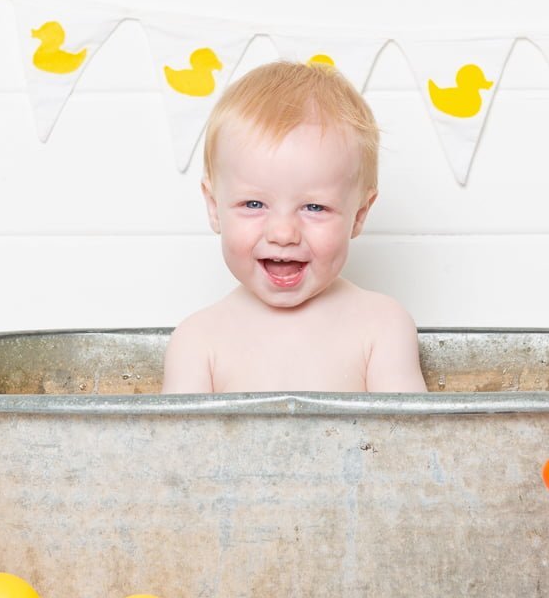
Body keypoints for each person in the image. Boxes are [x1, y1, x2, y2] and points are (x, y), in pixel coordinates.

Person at [161, 61, 427, 394]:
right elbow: (173, 446)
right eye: (253, 204)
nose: (283, 234)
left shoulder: (382, 327)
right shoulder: (197, 341)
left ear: (359, 214)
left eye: (314, 207)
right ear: (214, 208)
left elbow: (409, 442)